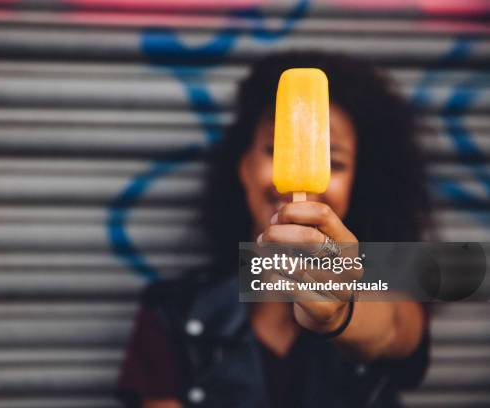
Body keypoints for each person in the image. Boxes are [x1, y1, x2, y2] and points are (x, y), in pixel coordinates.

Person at [117, 51, 431, 408]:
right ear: (244, 167)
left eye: (337, 162)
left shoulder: (392, 288)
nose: (306, 188)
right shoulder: (171, 312)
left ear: (357, 184)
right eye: (272, 149)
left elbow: (389, 330)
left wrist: (341, 308)